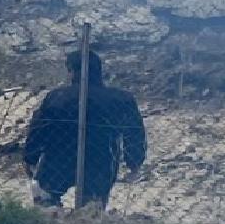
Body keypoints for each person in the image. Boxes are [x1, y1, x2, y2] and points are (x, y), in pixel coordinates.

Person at [23, 48, 146, 210]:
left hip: (58, 159)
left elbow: (40, 128)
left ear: (72, 71)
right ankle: (88, 223)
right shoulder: (120, 98)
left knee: (45, 199)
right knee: (92, 208)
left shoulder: (57, 96)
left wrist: (30, 157)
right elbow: (134, 131)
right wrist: (134, 162)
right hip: (101, 160)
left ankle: (50, 220)